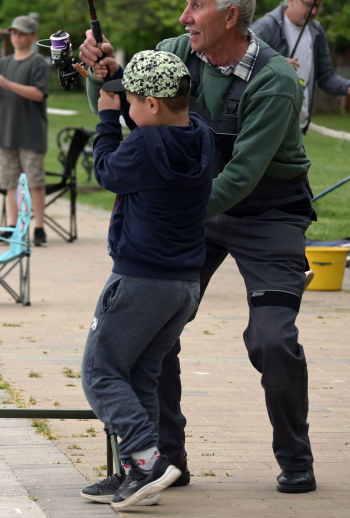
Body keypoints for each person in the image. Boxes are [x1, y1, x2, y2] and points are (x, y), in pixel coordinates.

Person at [79, 0, 318, 495]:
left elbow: (241, 175)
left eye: (196, 5)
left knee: (272, 338)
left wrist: (168, 211)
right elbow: (137, 116)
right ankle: (164, 462)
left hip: (268, 212)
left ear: (230, 16)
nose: (183, 16)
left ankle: (296, 458)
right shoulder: (177, 53)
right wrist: (108, 77)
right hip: (194, 207)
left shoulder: (276, 81)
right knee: (153, 330)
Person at [80, 50, 213, 508]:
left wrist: (105, 120)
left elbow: (105, 170)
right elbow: (155, 134)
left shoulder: (140, 147)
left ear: (152, 105)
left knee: (100, 372)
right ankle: (137, 480)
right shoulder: (200, 136)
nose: (125, 109)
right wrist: (119, 81)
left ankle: (145, 460)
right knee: (140, 375)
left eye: (131, 101)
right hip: (183, 286)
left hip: (140, 281)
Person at [251, 0, 350, 132]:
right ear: (291, 0)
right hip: (266, 123)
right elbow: (240, 64)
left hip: (297, 125)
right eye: (309, 4)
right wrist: (274, 65)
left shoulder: (316, 31)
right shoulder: (266, 27)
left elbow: (326, 77)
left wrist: (348, 86)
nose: (314, 12)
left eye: (318, 5)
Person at [0, 15, 50, 247]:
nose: (17, 37)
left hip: (31, 133)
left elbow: (39, 94)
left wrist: (7, 83)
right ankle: (12, 227)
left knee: (34, 181)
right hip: (6, 132)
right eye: (14, 32)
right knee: (10, 182)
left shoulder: (38, 63)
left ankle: (39, 228)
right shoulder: (3, 64)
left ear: (33, 36)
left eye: (22, 33)